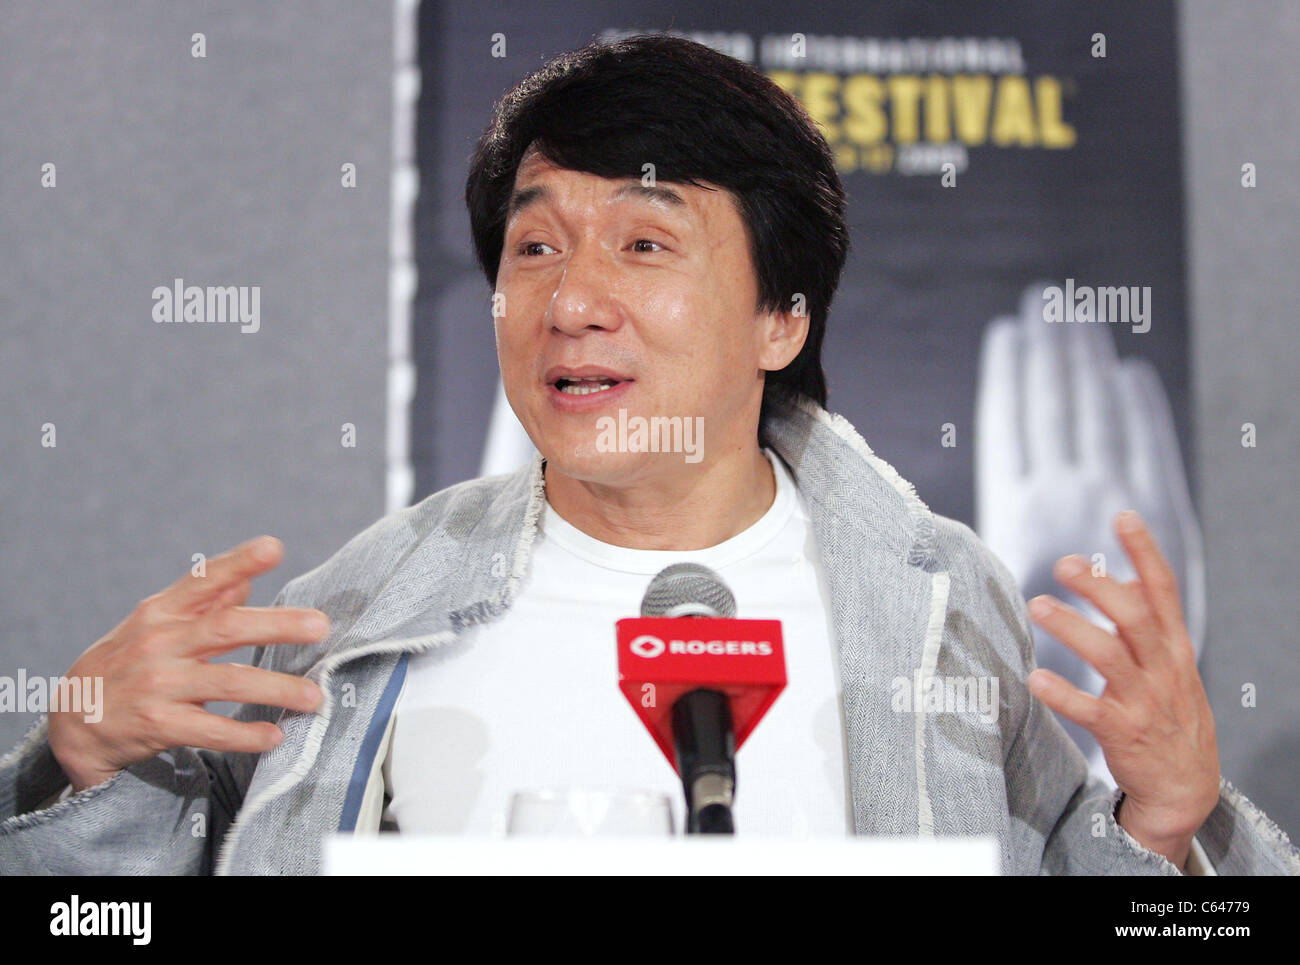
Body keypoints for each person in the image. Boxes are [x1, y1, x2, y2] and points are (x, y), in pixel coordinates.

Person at [1, 35, 1295, 875]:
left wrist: (1169, 832)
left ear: (782, 318)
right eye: (534, 244)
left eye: (644, 242)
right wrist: (79, 762)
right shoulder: (352, 616)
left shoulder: (948, 612)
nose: (571, 299)